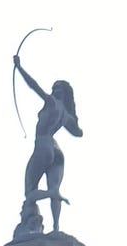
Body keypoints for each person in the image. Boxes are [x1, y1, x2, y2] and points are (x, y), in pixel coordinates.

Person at [13, 55, 83, 235]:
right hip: (56, 149)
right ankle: (56, 227)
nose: (52, 90)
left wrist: (19, 68)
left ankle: (52, 195)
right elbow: (78, 133)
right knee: (55, 187)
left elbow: (33, 85)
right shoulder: (66, 115)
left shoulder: (51, 103)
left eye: (55, 88)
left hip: (43, 144)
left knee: (30, 193)